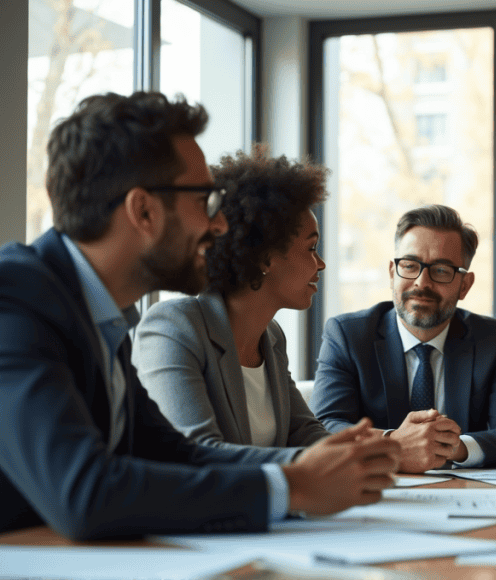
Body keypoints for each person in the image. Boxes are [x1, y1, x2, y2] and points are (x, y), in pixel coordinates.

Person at [0, 92, 399, 539]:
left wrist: (319, 468)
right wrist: (294, 487)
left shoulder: (103, 317)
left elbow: (177, 455)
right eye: (205, 201)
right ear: (144, 211)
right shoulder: (14, 302)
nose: (221, 225)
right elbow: (86, 494)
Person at [311, 204, 496, 472]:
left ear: (464, 285)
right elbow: (323, 427)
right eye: (409, 265)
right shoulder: (348, 335)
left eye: (441, 270)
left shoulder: (492, 340)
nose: (421, 282)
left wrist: (455, 447)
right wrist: (393, 443)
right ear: (391, 273)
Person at [133, 147, 331, 456]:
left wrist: (381, 448)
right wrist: (320, 465)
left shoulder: (271, 337)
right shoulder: (173, 328)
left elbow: (304, 432)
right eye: (311, 248)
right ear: (265, 256)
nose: (320, 264)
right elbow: (200, 452)